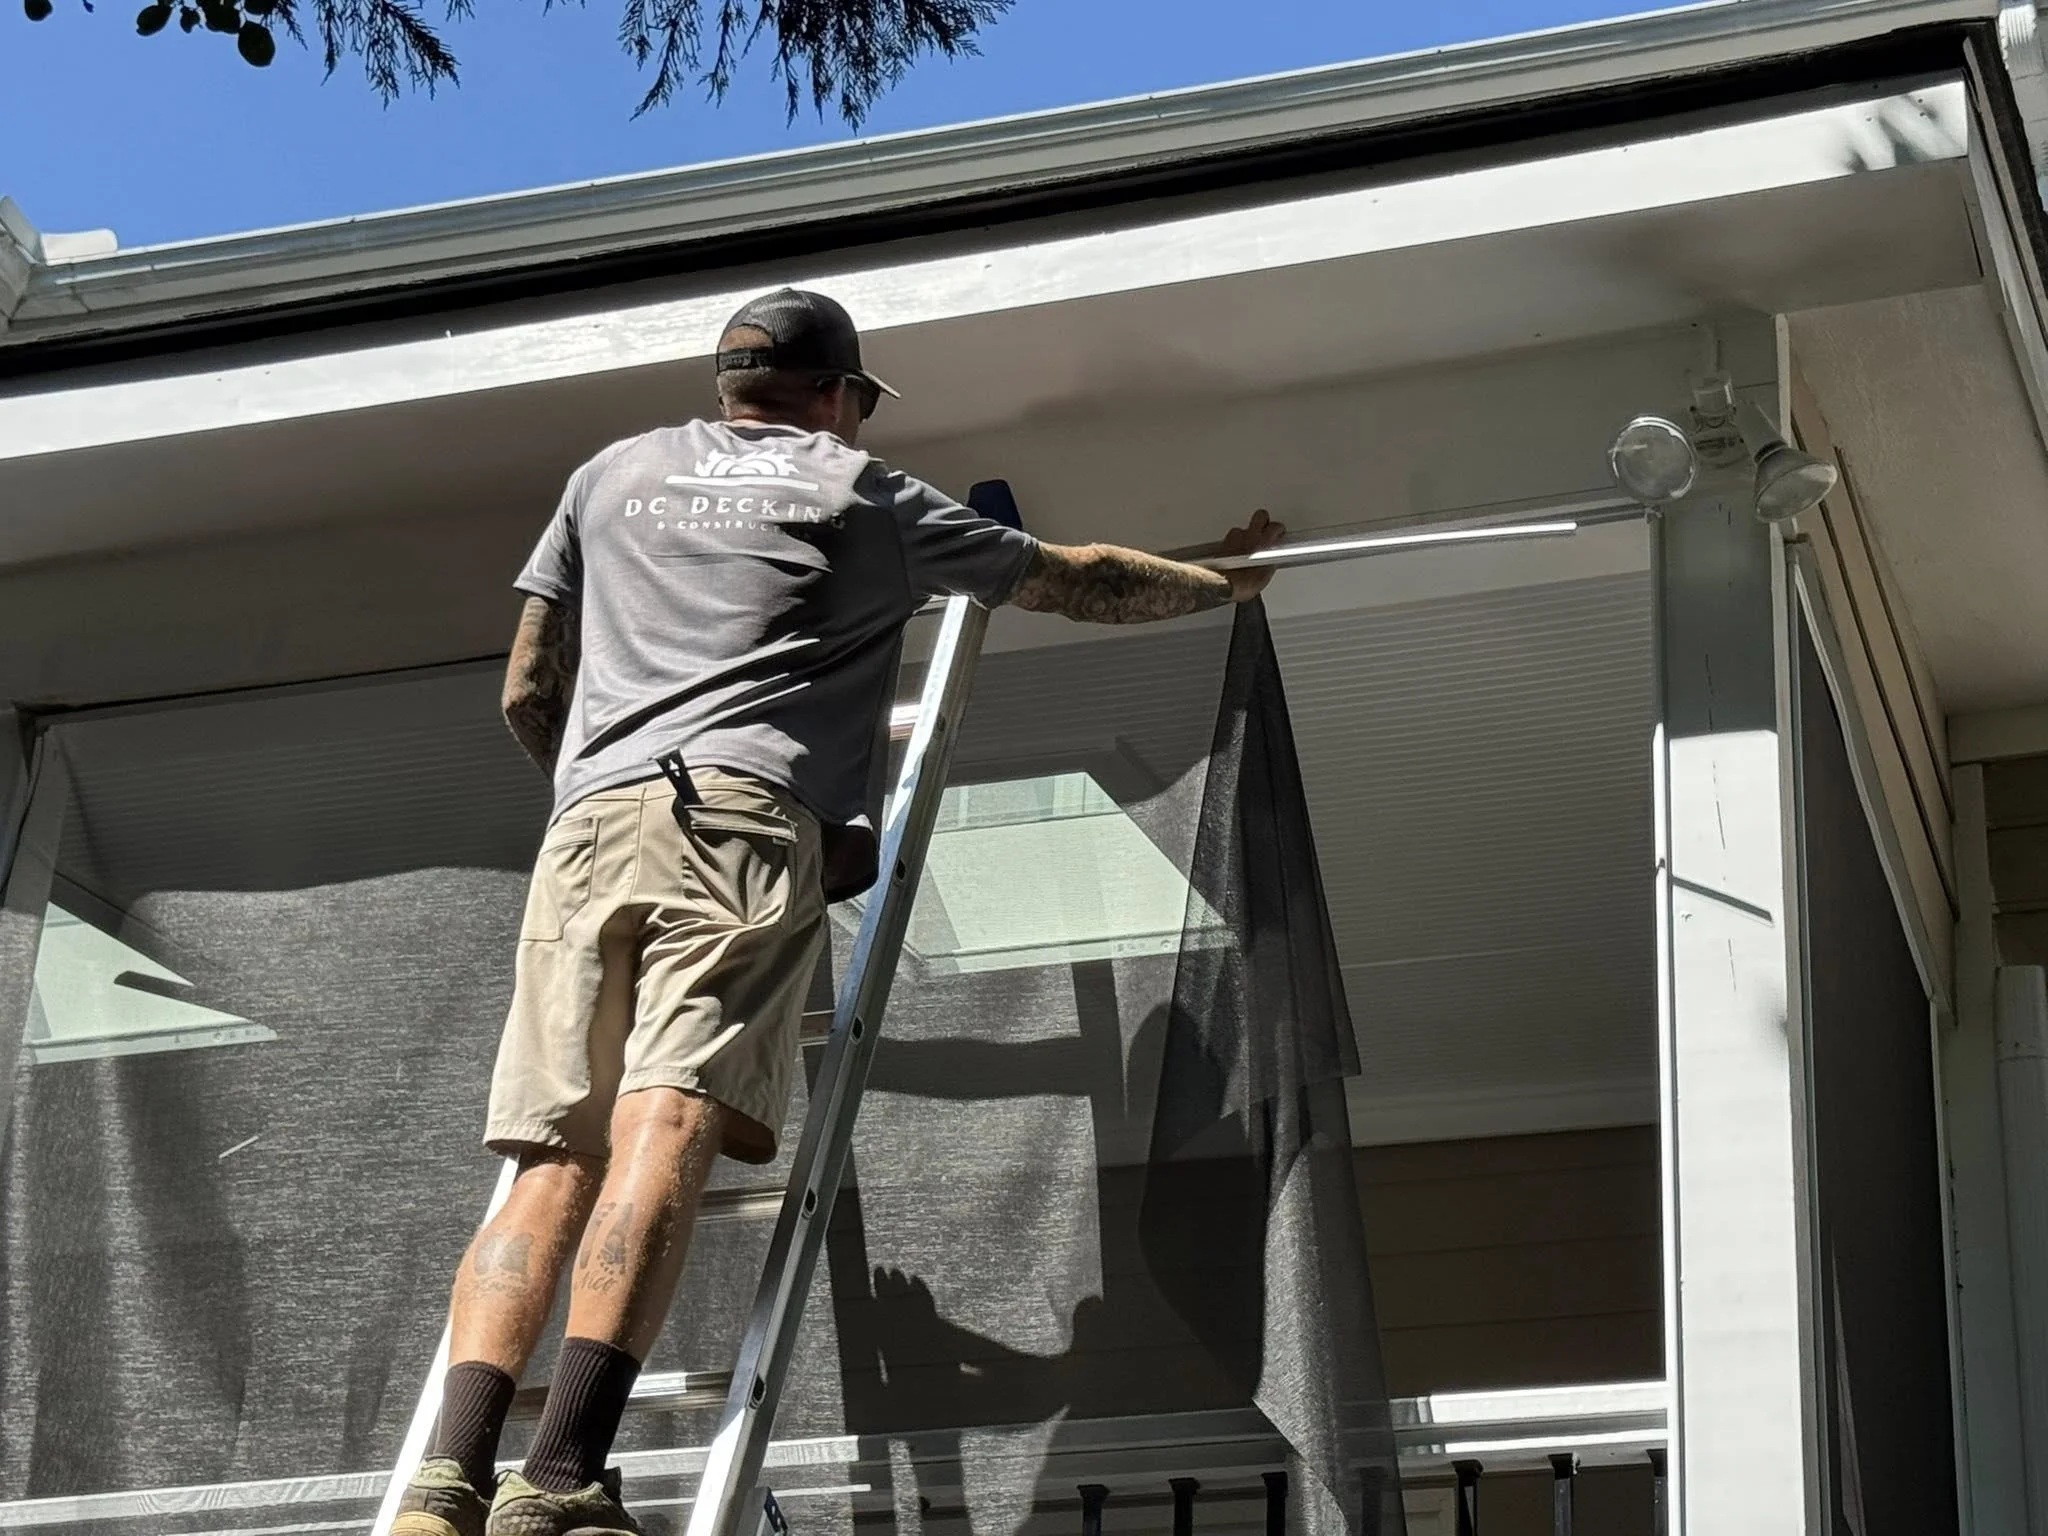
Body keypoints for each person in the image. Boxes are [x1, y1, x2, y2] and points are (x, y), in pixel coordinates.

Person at [393, 287, 1285, 1536]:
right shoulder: (854, 490)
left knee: (548, 1164)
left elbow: (528, 688)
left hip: (585, 829)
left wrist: (602, 793)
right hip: (741, 823)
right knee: (663, 1132)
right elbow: (1072, 582)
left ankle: (445, 1483)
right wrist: (1222, 583)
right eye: (857, 402)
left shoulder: (608, 475)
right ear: (832, 393)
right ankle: (560, 1482)